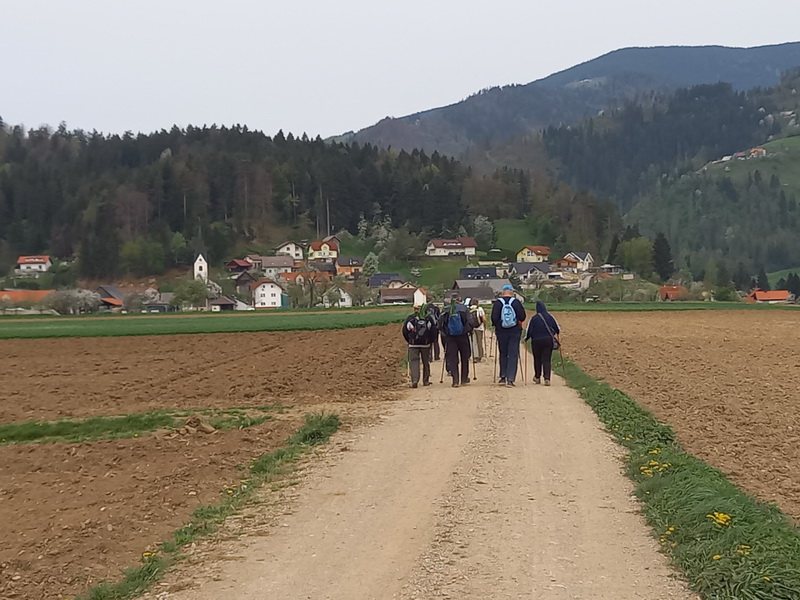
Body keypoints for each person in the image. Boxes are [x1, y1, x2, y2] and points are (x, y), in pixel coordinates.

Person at [490, 284, 526, 387]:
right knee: (513, 354)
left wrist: (498, 325)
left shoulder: (498, 303)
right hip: (514, 331)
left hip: (501, 332)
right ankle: (510, 379)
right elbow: (522, 317)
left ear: (503, 292)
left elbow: (494, 318)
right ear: (512, 292)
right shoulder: (516, 302)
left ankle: (503, 376)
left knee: (503, 353)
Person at [439, 293, 473, 387]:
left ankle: (455, 380)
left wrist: (446, 333)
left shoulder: (446, 309)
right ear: (459, 299)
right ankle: (464, 379)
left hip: (450, 338)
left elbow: (440, 324)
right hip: (463, 336)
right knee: (465, 357)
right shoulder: (464, 309)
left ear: (451, 300)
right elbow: (471, 322)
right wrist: (466, 330)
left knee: (453, 358)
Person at [525, 300, 561, 386]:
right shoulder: (550, 317)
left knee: (537, 359)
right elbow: (557, 329)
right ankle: (547, 378)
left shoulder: (534, 318)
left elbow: (529, 331)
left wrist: (526, 338)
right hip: (548, 340)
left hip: (536, 341)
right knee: (546, 359)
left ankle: (537, 377)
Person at [402, 303, 435, 388]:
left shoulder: (410, 318)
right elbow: (433, 331)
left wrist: (409, 340)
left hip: (413, 344)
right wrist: (430, 341)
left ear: (414, 309)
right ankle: (425, 381)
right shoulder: (428, 318)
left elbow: (405, 331)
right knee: (425, 362)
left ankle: (415, 380)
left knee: (414, 361)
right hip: (425, 344)